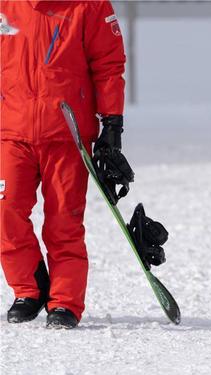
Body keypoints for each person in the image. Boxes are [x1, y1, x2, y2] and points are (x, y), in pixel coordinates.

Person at [0, 1, 132, 329]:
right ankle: (29, 288)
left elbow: (108, 64)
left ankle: (64, 300)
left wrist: (112, 123)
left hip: (67, 134)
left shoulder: (90, 5)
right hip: (12, 132)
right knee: (5, 212)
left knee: (64, 222)